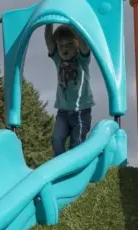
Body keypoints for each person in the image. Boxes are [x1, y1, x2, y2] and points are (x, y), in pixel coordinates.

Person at [45, 24, 94, 156]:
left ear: (76, 45)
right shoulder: (58, 60)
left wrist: (74, 25)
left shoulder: (82, 60)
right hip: (63, 112)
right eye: (61, 46)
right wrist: (49, 21)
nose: (64, 48)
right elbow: (48, 39)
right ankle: (61, 167)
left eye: (69, 44)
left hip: (81, 111)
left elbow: (84, 45)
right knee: (56, 139)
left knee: (77, 143)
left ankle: (75, 169)